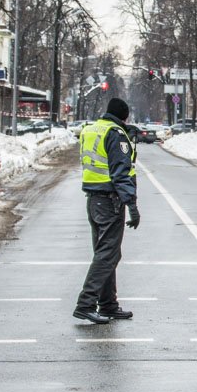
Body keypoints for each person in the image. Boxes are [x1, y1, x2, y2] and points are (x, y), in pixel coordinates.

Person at [73, 98, 140, 325]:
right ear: (124, 116)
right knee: (108, 254)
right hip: (110, 201)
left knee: (105, 252)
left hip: (93, 199)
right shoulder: (115, 134)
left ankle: (108, 304)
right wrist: (131, 204)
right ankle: (86, 304)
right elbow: (121, 172)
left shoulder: (91, 129)